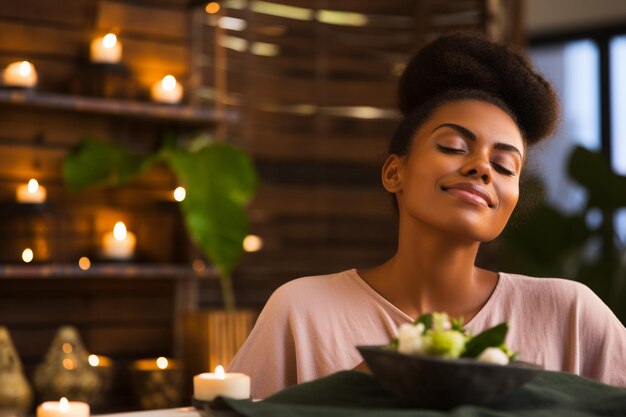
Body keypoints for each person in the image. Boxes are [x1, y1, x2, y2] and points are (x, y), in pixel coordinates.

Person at [228, 32, 626, 399]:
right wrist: (354, 392)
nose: (482, 168)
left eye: (505, 167)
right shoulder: (303, 311)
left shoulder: (569, 315)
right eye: (453, 146)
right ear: (394, 172)